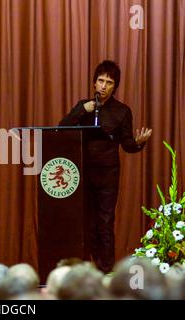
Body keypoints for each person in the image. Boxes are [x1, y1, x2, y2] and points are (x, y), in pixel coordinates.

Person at [59, 60, 152, 273]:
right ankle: (92, 267)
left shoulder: (122, 111)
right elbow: (61, 128)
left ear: (114, 86)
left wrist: (139, 142)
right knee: (88, 224)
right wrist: (83, 110)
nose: (103, 86)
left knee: (105, 223)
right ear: (94, 84)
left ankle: (107, 270)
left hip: (108, 174)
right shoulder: (84, 106)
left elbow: (128, 145)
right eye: (100, 81)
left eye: (109, 82)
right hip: (83, 172)